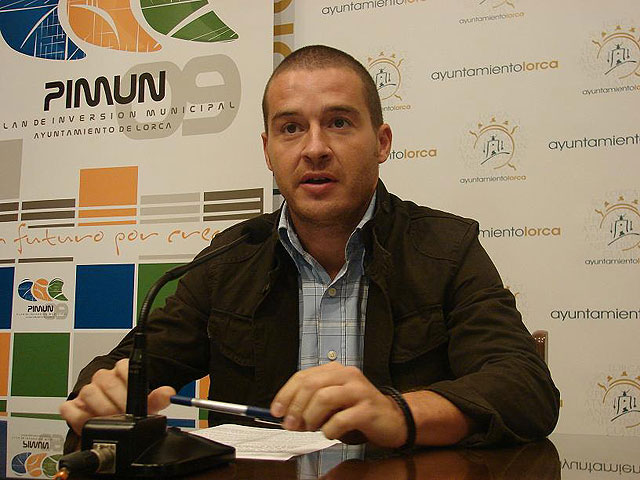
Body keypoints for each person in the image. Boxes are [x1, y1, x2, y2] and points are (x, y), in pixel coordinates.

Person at [60, 45, 559, 451]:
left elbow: (526, 388)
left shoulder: (446, 248)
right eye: (291, 128)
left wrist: (399, 414)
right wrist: (103, 393)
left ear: (382, 142)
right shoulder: (231, 256)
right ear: (268, 150)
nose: (314, 148)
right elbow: (125, 366)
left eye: (339, 122)